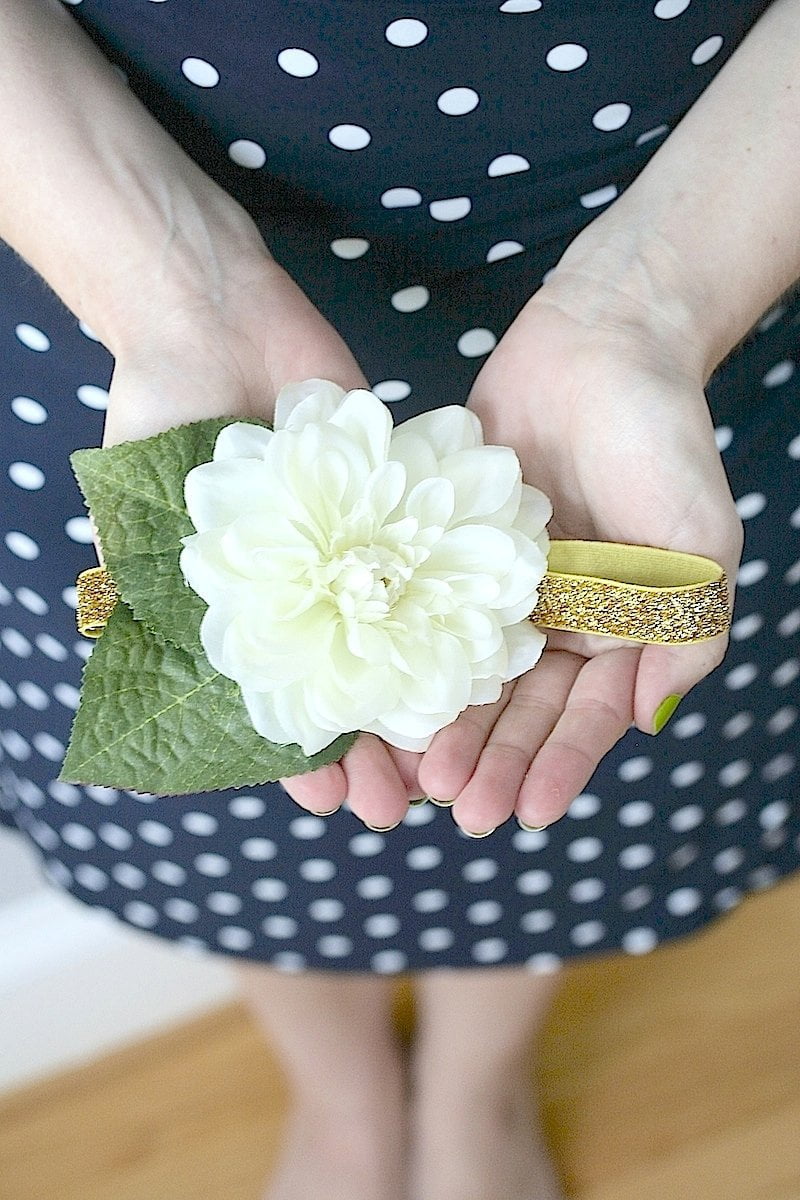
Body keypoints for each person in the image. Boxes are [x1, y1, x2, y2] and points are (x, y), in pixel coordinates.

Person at [1, 0, 798, 1196]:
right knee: (246, 821)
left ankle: (476, 1085)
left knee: (543, 794)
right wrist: (166, 290)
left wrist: (649, 304)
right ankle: (342, 1098)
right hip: (102, 242)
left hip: (705, 228)